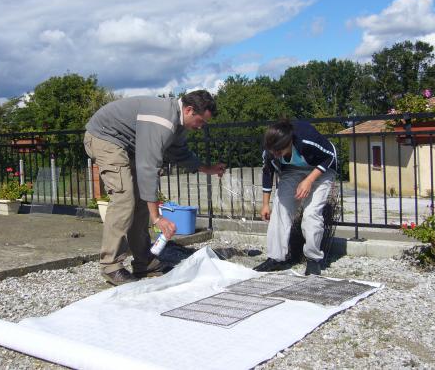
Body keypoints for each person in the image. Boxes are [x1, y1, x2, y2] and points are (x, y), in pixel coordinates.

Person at [84, 90, 226, 285]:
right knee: (125, 197)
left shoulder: (178, 123)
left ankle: (144, 261)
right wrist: (157, 217)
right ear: (189, 110)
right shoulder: (163, 122)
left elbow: (180, 152)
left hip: (127, 145)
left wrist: (205, 168)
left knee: (142, 201)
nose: (201, 127)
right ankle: (110, 265)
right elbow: (148, 168)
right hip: (105, 138)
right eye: (201, 121)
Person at [254, 119, 337, 275]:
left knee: (311, 213)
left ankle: (314, 260)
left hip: (321, 169)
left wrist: (309, 180)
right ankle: (275, 259)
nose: (276, 155)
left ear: (289, 142)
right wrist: (265, 204)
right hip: (292, 170)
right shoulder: (270, 149)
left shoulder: (307, 138)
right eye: (273, 152)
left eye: (279, 151)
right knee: (280, 208)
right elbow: (268, 172)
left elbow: (330, 156)